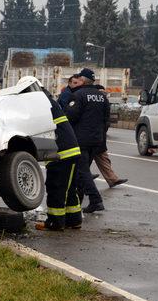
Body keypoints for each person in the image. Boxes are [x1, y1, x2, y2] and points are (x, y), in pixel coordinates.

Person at [14, 77, 82, 231]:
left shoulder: (38, 102)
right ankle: (74, 219)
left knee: (56, 187)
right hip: (70, 150)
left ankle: (55, 222)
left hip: (61, 153)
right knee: (69, 189)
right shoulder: (47, 99)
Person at [64, 68, 108, 213]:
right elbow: (106, 120)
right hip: (97, 140)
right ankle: (79, 201)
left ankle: (96, 200)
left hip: (81, 140)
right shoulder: (102, 97)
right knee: (82, 172)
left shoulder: (78, 95)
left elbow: (70, 117)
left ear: (82, 80)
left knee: (82, 172)